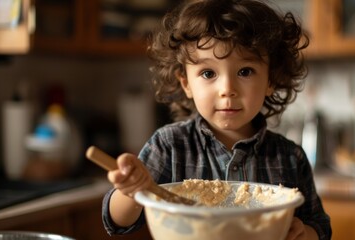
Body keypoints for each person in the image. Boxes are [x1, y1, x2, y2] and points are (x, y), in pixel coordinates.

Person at [102, 0, 332, 239]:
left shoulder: (289, 157)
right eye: (208, 73)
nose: (227, 89)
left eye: (245, 71)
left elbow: (320, 224)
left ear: (270, 80)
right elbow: (116, 221)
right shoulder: (169, 146)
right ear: (186, 83)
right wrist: (130, 191)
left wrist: (305, 233)